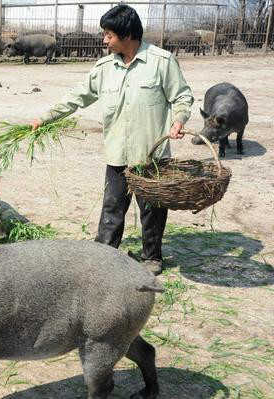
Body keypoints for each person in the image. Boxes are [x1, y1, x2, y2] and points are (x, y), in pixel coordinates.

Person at [30, 5, 194, 275]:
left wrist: (179, 120)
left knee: (152, 210)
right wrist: (46, 118)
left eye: (108, 35)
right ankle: (103, 255)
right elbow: (77, 97)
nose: (104, 40)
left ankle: (151, 257)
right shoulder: (104, 67)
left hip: (151, 156)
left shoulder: (161, 62)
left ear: (126, 34)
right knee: (112, 207)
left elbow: (182, 96)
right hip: (117, 153)